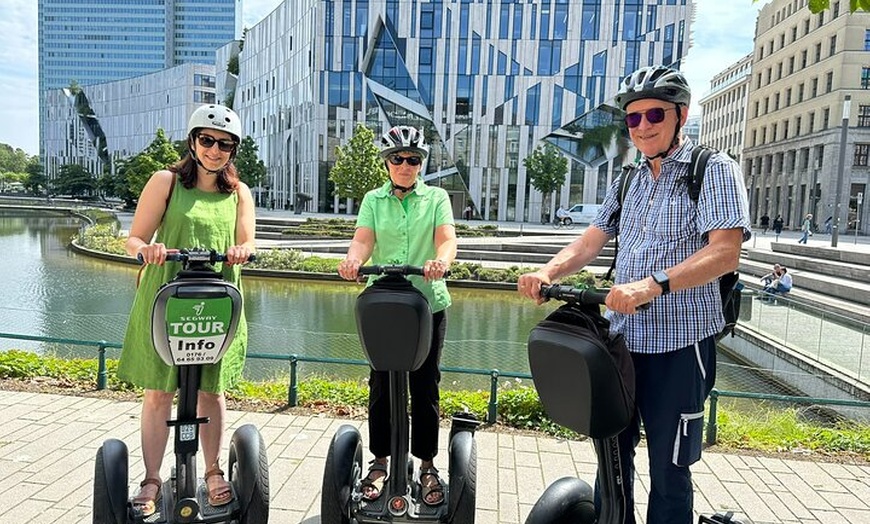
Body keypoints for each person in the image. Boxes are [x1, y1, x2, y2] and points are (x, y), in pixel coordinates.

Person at [517, 65, 750, 524]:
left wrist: (653, 285)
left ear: (680, 115)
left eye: (654, 115)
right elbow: (589, 241)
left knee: (670, 470)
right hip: (621, 344)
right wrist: (547, 270)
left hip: (680, 347)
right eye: (633, 118)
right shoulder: (629, 178)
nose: (642, 126)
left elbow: (725, 253)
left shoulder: (713, 170)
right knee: (611, 462)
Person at [118, 104, 256, 517]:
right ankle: (152, 478)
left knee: (212, 390)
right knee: (160, 390)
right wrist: (149, 249)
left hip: (217, 300)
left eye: (225, 144)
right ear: (193, 141)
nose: (215, 150)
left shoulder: (239, 193)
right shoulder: (167, 182)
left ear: (233, 150)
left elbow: (248, 242)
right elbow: (134, 238)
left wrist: (241, 250)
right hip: (167, 297)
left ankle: (213, 470)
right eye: (207, 140)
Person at [337, 125, 457, 506]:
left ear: (421, 163)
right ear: (387, 163)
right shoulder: (374, 199)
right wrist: (354, 260)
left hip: (427, 303)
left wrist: (441, 260)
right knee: (381, 384)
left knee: (425, 386)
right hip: (387, 304)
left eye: (413, 160)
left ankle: (426, 465)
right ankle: (380, 461)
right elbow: (363, 238)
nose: (405, 166)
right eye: (397, 159)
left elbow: (446, 237)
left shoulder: (436, 197)